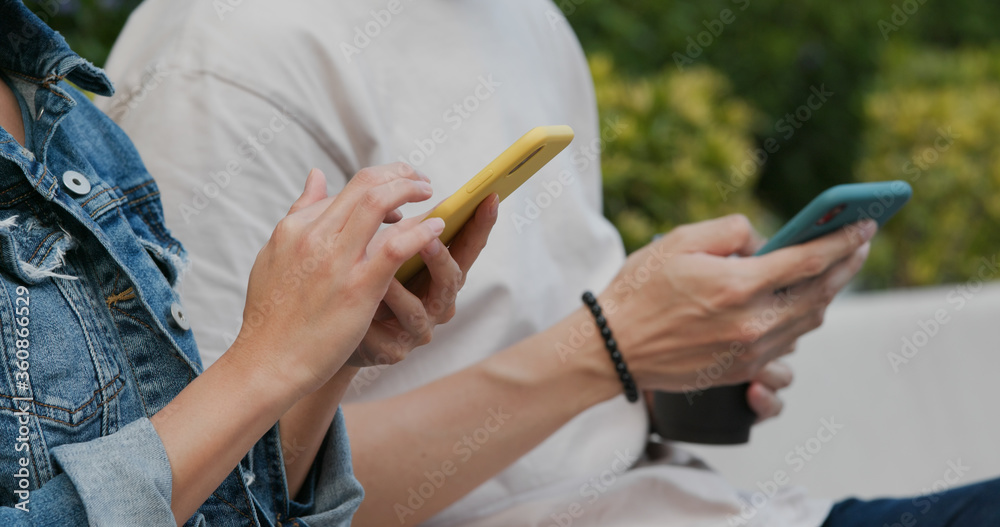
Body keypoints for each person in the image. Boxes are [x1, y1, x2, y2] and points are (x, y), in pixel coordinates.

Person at [100, 1, 1000, 526]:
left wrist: (681, 370)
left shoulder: (524, 21)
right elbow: (219, 495)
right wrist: (608, 346)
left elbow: (556, 379)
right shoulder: (222, 60)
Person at [0, 1, 496, 525]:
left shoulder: (68, 118)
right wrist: (267, 362)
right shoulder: (217, 51)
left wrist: (326, 355)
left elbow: (218, 506)